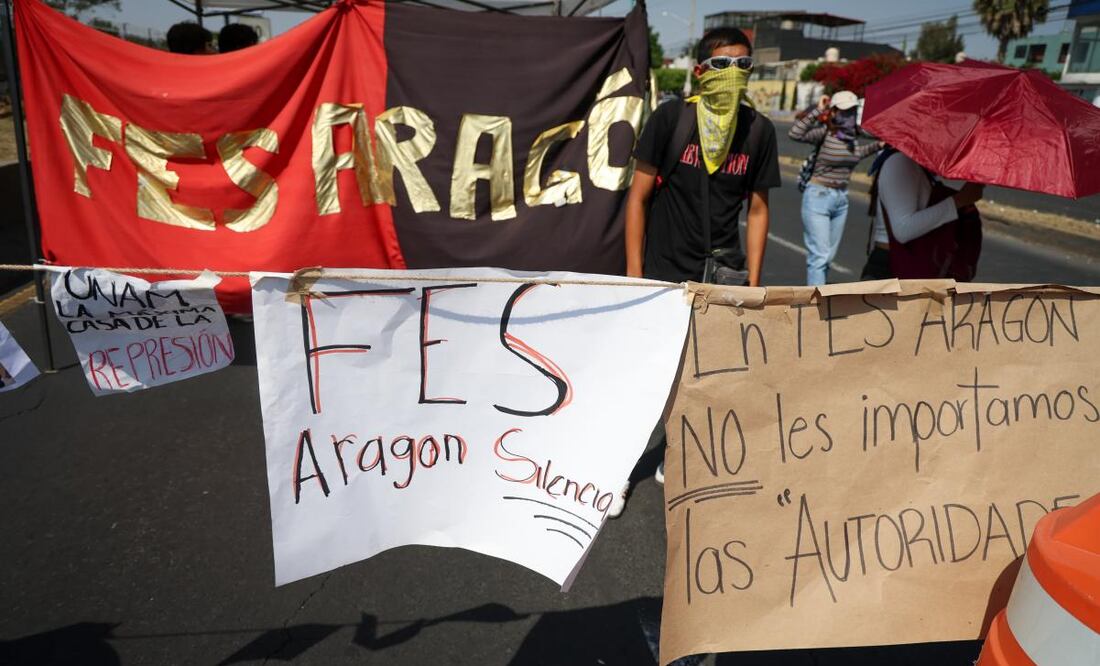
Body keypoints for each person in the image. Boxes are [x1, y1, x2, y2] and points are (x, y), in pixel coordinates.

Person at [612, 26, 781, 521]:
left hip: (721, 276)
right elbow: (637, 198)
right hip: (665, 271)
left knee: (702, 378)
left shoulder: (758, 132)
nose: (734, 76)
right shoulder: (672, 120)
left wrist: (754, 284)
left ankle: (672, 458)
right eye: (723, 65)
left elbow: (757, 210)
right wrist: (635, 275)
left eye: (744, 66)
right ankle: (617, 470)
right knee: (646, 376)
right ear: (701, 71)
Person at [789, 90, 883, 286]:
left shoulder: (853, 137)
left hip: (841, 199)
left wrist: (878, 144)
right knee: (820, 257)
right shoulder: (825, 133)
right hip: (818, 195)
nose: (848, 115)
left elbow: (862, 150)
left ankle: (819, 298)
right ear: (834, 112)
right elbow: (795, 133)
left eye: (852, 111)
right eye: (844, 111)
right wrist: (818, 110)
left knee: (828, 257)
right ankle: (817, 307)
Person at [861, 147, 984, 280]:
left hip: (907, 265)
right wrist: (958, 201)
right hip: (891, 268)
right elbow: (903, 229)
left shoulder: (913, 163)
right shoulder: (900, 161)